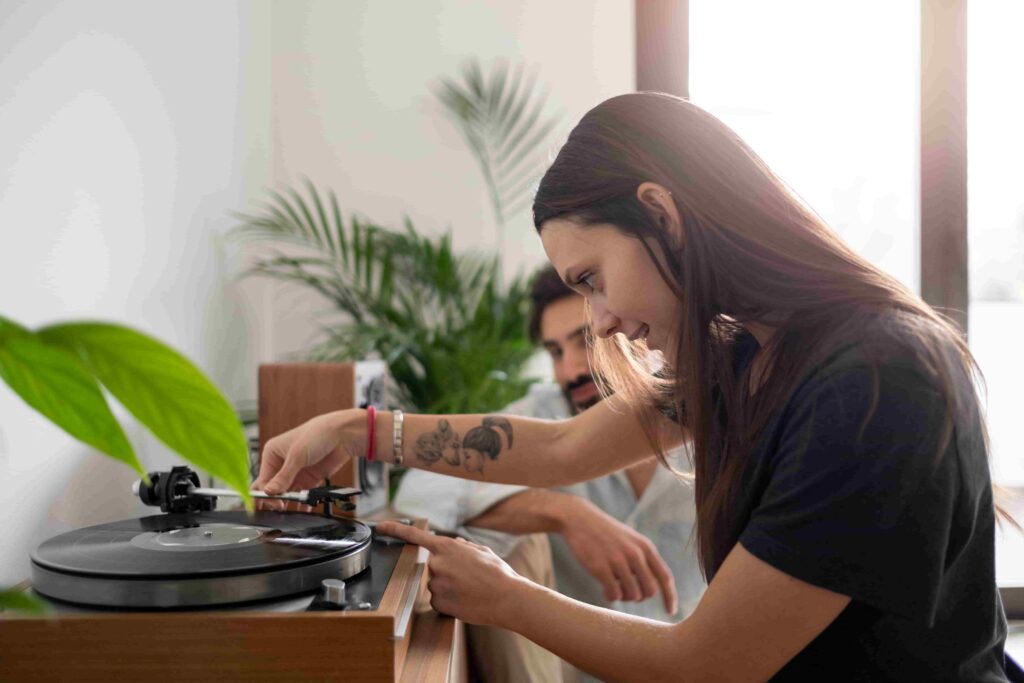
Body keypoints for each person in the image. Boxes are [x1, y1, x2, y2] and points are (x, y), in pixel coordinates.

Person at [254, 93, 1012, 681]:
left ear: (663, 214)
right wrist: (358, 429)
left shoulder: (872, 380)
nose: (601, 321)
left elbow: (709, 665)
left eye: (592, 280)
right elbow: (563, 446)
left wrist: (506, 596)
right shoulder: (751, 351)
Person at [392, 265, 706, 682]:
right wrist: (562, 512)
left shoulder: (714, 425)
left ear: (636, 329)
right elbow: (422, 484)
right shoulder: (543, 415)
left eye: (586, 342)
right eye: (556, 352)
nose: (570, 371)